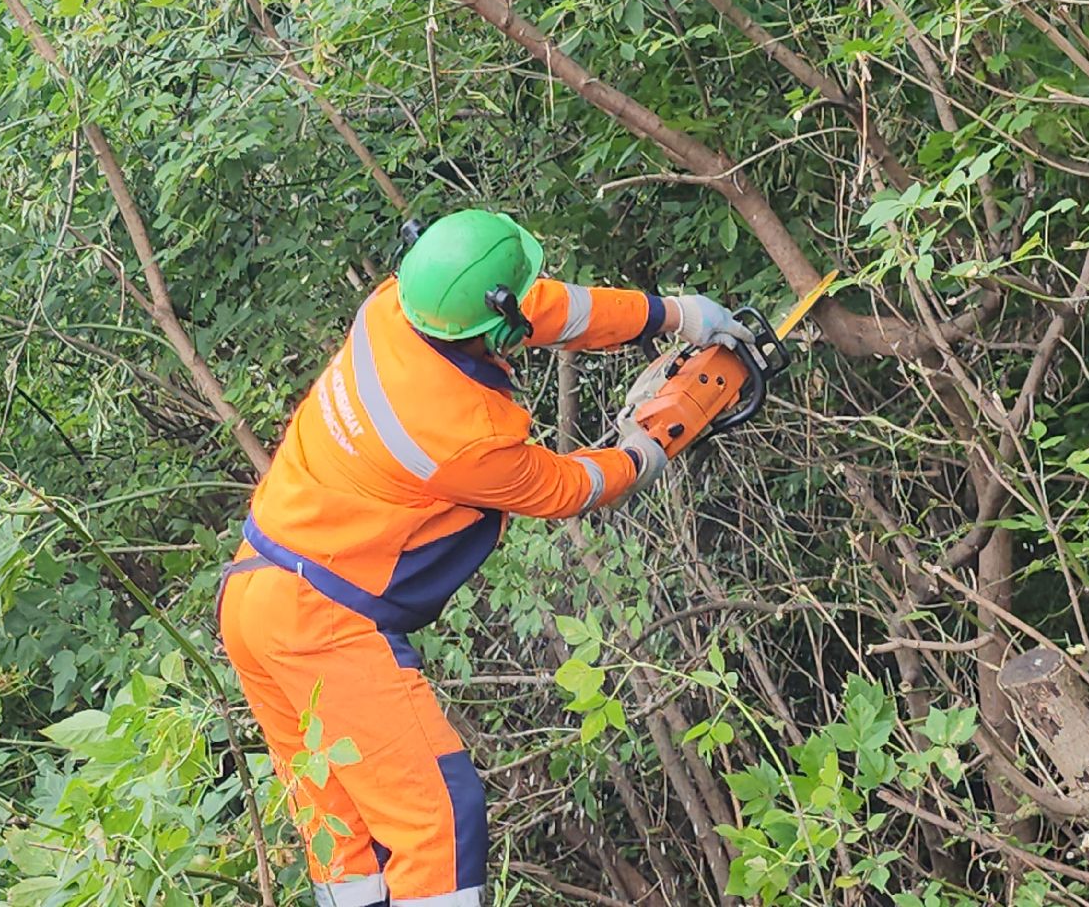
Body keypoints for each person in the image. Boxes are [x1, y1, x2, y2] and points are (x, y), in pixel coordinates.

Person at [217, 209, 750, 907]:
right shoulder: (462, 437)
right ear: (491, 320)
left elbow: (545, 307)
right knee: (437, 824)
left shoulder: (397, 305)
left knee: (343, 840)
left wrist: (672, 315)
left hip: (254, 595)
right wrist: (642, 454)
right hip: (321, 619)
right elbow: (566, 487)